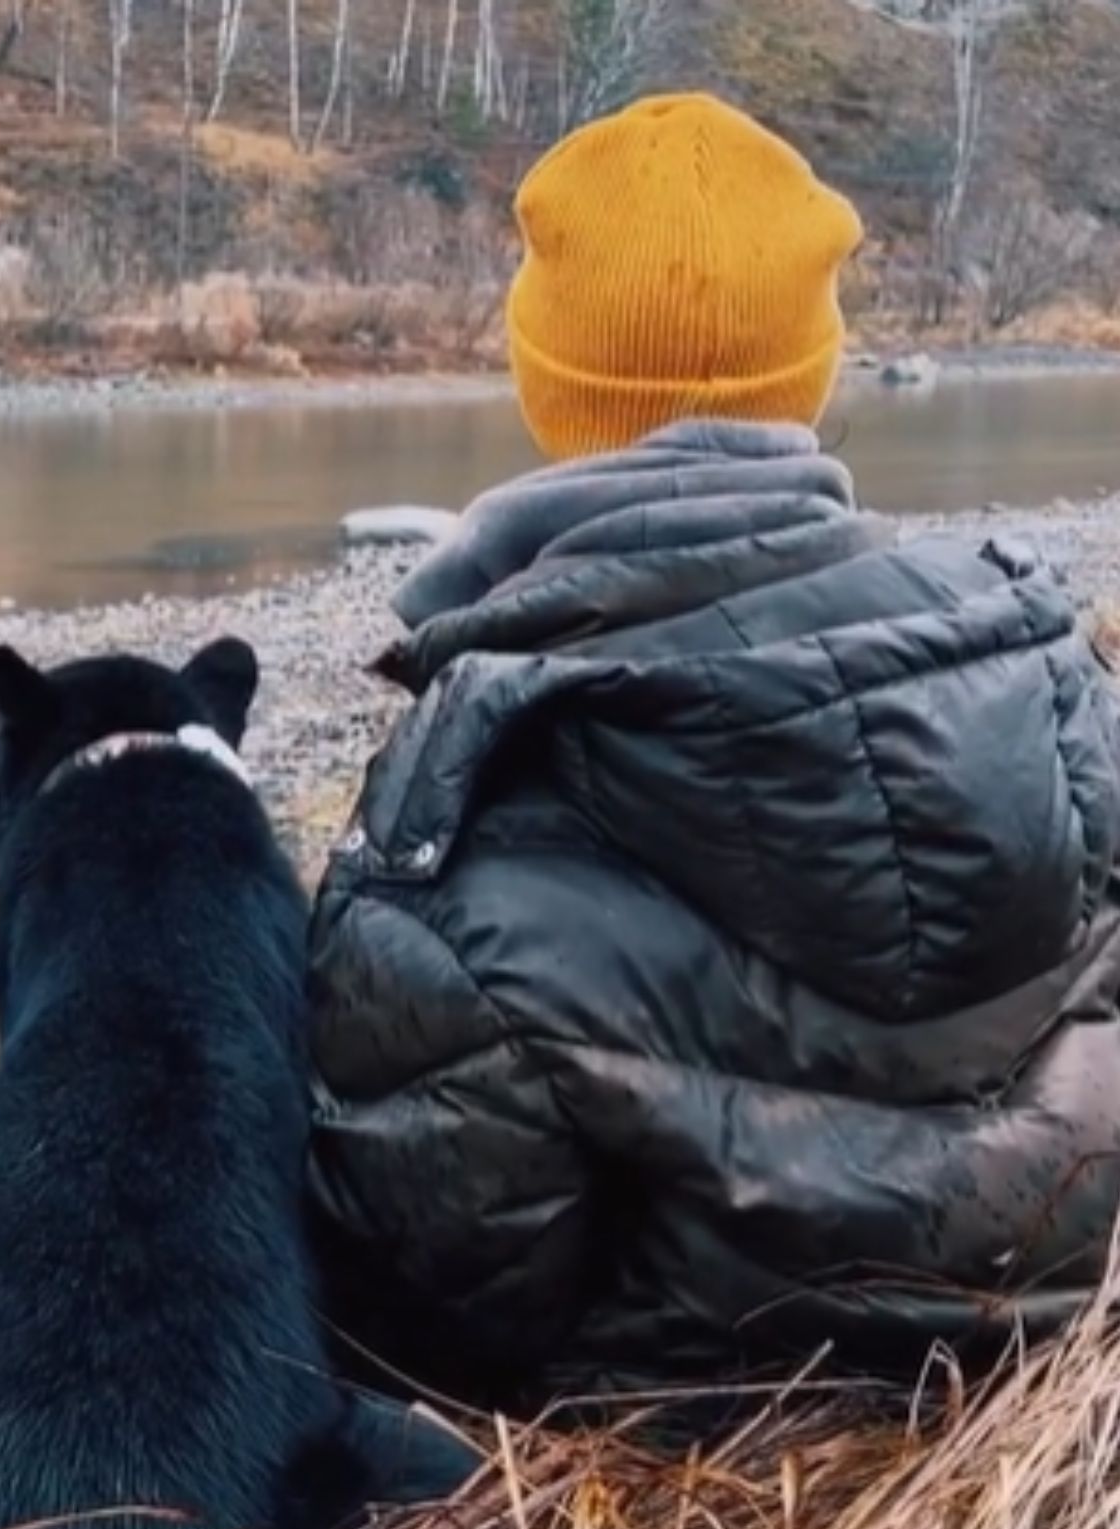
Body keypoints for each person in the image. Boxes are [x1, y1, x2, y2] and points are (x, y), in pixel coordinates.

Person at [303, 93, 1120, 1412]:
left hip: (694, 1426)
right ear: (815, 368)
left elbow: (433, 1316)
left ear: (547, 380)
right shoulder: (1047, 672)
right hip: (1047, 1333)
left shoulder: (467, 819)